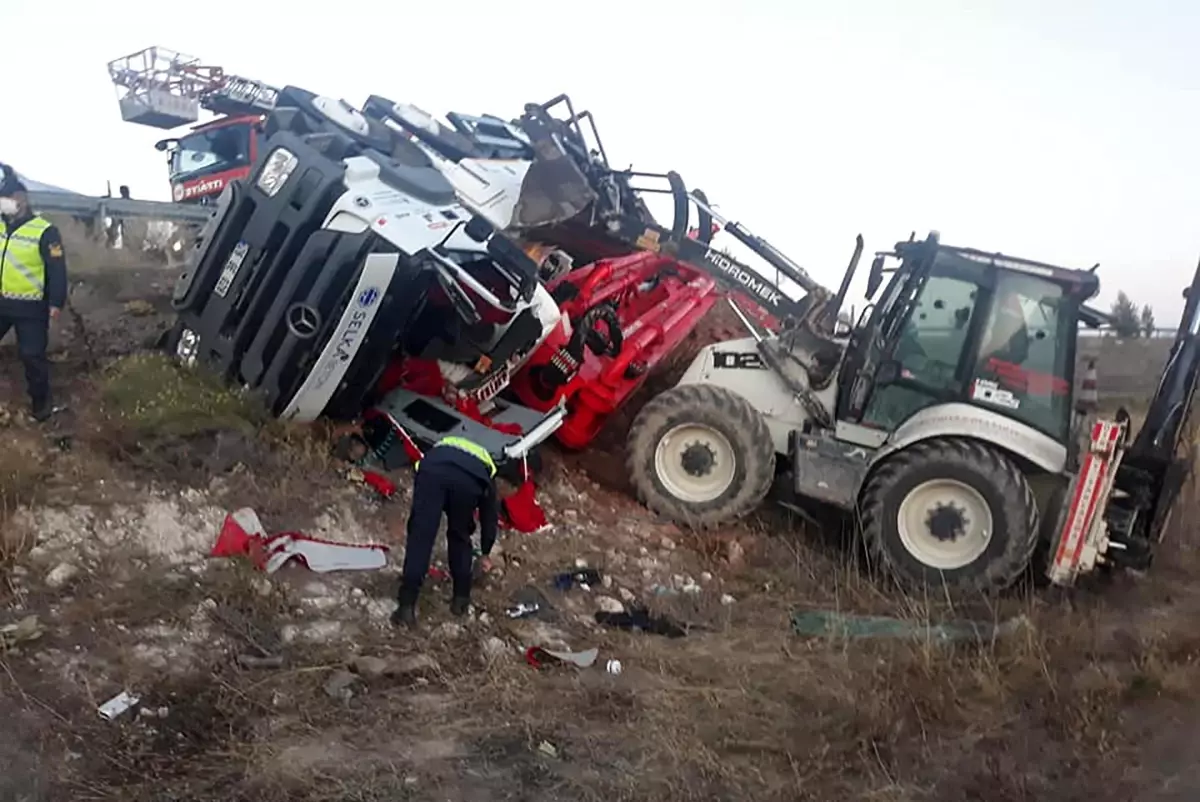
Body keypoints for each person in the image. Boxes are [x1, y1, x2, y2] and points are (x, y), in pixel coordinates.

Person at [392, 435, 500, 628]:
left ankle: (406, 608)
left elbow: (416, 519)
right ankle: (460, 600)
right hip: (469, 482)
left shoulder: (443, 446)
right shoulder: (487, 466)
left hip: (432, 471)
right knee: (460, 535)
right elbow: (489, 515)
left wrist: (416, 528)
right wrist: (485, 550)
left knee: (421, 536)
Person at [0, 165, 66, 421]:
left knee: (31, 356)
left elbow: (57, 269)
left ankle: (41, 406)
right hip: (2, 302)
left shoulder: (44, 231)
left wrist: (56, 302)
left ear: (20, 200)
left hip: (31, 308)